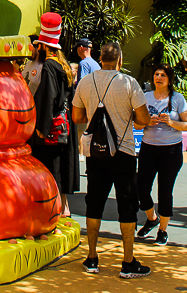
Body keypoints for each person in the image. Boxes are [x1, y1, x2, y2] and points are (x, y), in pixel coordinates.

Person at [72, 41, 151, 278]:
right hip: (124, 152)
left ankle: (92, 258)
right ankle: (128, 262)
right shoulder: (129, 83)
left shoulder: (86, 81)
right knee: (127, 205)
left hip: (96, 153)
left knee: (94, 202)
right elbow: (144, 119)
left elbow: (77, 116)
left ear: (99, 58)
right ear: (119, 60)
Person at [136, 64, 187, 245]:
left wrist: (172, 122)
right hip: (148, 148)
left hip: (171, 151)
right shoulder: (145, 97)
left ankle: (163, 230)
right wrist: (147, 122)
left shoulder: (177, 99)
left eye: (162, 75)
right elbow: (136, 124)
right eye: (156, 74)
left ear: (169, 79)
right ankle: (152, 218)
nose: (158, 78)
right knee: (141, 188)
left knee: (165, 191)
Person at [32, 13, 79, 217]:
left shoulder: (49, 66)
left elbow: (46, 98)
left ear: (43, 45)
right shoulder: (64, 66)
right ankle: (62, 209)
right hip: (64, 126)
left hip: (50, 128)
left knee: (49, 171)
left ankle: (52, 212)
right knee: (59, 170)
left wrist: (41, 129)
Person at [75, 38, 101, 153]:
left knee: (80, 135)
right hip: (96, 107)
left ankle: (81, 159)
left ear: (80, 48)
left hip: (85, 107)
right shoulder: (96, 64)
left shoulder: (83, 63)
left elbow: (82, 86)